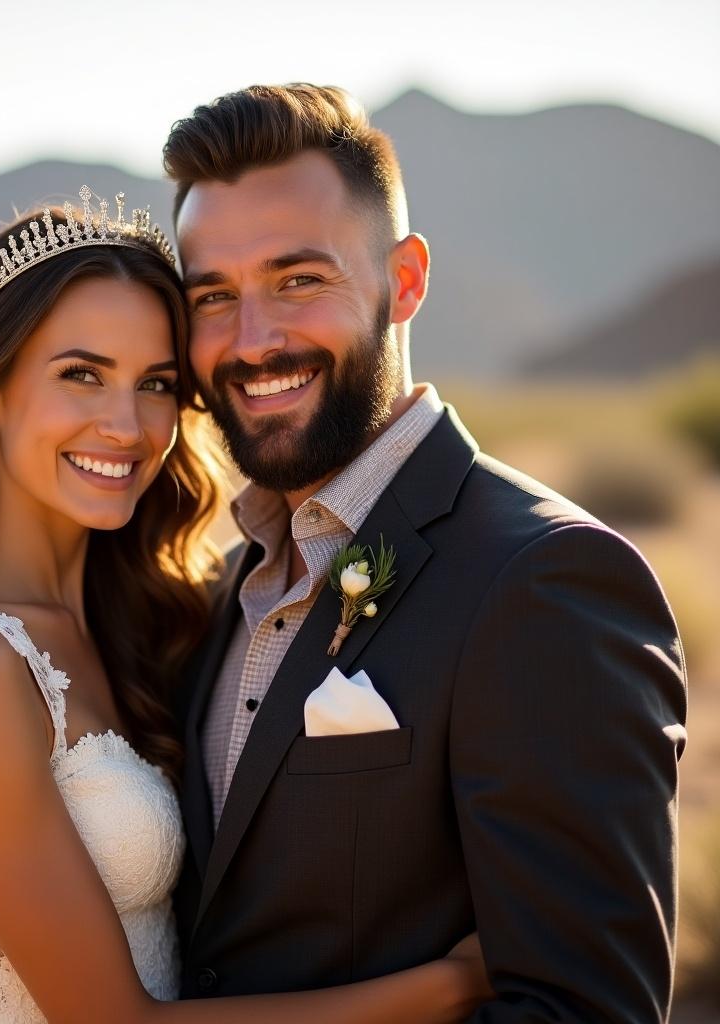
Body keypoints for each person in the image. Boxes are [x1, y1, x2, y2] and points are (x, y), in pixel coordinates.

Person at [0, 189, 492, 1023]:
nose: (127, 426)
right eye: (82, 374)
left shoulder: (138, 615)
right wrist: (458, 980)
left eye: (155, 384)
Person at [163, 83, 689, 1022]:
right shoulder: (223, 583)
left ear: (404, 281)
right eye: (214, 296)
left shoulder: (548, 583)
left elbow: (583, 1009)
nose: (254, 340)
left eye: (299, 280)